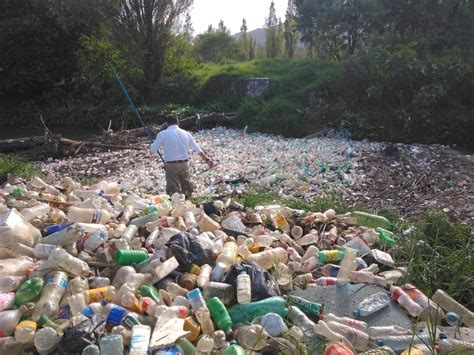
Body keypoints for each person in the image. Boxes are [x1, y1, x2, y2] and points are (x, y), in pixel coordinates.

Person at [150, 114, 214, 196]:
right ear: (178, 122)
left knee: (172, 191)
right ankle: (189, 203)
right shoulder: (186, 133)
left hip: (170, 165)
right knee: (187, 190)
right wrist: (207, 160)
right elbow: (197, 148)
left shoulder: (162, 134)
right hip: (184, 164)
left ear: (167, 123)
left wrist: (153, 143)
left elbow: (152, 150)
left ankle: (176, 205)